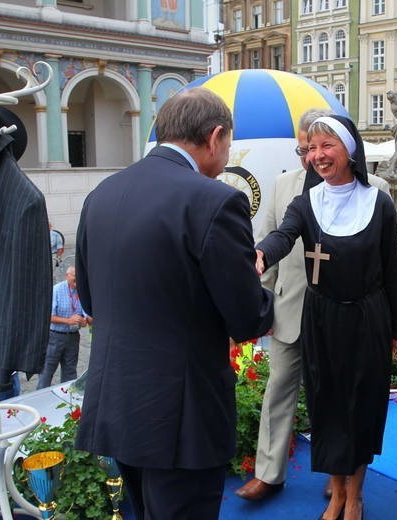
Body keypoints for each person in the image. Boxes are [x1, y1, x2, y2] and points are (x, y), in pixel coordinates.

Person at [74, 87, 274, 520]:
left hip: (119, 404)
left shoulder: (102, 194)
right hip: (182, 418)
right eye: (229, 144)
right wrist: (254, 279)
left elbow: (91, 299)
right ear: (215, 136)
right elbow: (247, 317)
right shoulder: (215, 200)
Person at [255, 115, 397, 520]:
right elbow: (283, 235)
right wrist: (261, 254)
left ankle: (354, 495)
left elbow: (392, 270)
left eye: (327, 146)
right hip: (321, 318)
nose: (318, 156)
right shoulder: (305, 204)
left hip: (367, 319)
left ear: (349, 149)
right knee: (327, 407)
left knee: (361, 407)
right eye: (312, 148)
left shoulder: (379, 202)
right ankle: (337, 493)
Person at [37, 266, 90, 390]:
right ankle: (40, 401)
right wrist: (68, 321)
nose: (77, 279)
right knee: (46, 372)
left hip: (73, 337)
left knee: (70, 373)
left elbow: (86, 315)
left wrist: (84, 321)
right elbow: (47, 316)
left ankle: (68, 402)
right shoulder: (56, 290)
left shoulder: (82, 291)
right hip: (54, 337)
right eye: (74, 276)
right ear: (67, 276)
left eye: (79, 277)